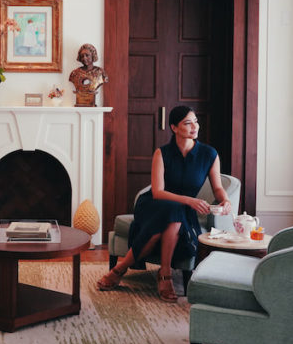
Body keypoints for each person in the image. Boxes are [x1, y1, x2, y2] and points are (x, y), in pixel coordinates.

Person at [97, 105, 231, 302]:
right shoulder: (162, 153)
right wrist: (189, 200)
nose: (194, 126)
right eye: (187, 123)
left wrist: (225, 200)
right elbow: (158, 192)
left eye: (196, 121)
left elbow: (217, 187)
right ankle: (165, 274)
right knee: (172, 213)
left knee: (169, 220)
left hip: (182, 210)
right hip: (153, 204)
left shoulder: (209, 154)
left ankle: (120, 269)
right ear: (174, 127)